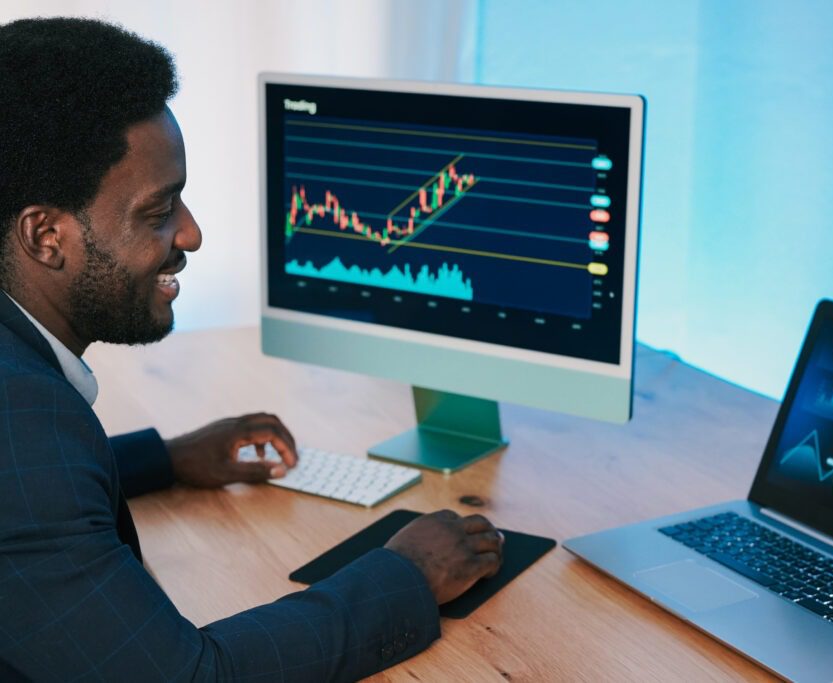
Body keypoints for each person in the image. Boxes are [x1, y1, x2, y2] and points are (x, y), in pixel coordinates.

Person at [0, 16, 502, 681]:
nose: (192, 233)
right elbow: (190, 675)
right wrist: (406, 573)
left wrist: (167, 459)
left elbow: (30, 504)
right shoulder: (24, 415)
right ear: (45, 236)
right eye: (158, 210)